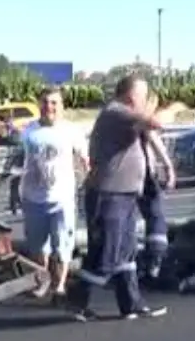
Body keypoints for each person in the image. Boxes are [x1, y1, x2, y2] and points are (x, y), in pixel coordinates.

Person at [66, 75, 168, 321]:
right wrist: (175, 107)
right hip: (108, 194)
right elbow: (156, 123)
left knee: (126, 250)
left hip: (127, 194)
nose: (144, 100)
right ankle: (77, 301)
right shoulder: (116, 112)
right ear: (132, 96)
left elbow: (149, 136)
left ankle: (131, 304)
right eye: (143, 95)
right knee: (106, 251)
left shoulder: (127, 117)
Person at [18, 87, 89, 300]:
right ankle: (42, 281)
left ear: (61, 106)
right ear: (39, 105)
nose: (49, 107)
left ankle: (59, 285)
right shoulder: (28, 132)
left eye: (54, 103)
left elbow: (85, 159)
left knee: (63, 245)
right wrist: (15, 190)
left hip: (62, 198)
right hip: (33, 197)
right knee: (37, 245)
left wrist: (89, 177)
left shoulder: (72, 131)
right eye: (45, 102)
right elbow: (17, 163)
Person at [136, 94, 177, 281]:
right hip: (145, 175)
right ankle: (156, 261)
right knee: (156, 216)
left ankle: (141, 261)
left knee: (139, 217)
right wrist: (168, 167)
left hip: (129, 177)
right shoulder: (143, 121)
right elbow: (152, 137)